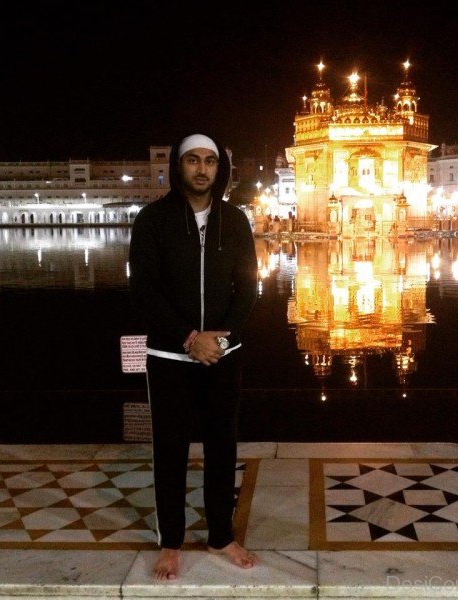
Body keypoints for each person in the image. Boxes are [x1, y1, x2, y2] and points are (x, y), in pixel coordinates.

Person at [128, 132, 259, 580]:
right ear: (178, 166)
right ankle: (171, 542)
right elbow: (144, 291)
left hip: (223, 355)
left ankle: (221, 535)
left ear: (219, 168)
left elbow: (249, 288)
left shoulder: (235, 221)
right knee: (170, 450)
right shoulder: (153, 220)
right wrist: (188, 338)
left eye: (210, 161)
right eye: (192, 160)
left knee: (223, 446)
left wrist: (220, 340)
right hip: (169, 356)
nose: (202, 169)